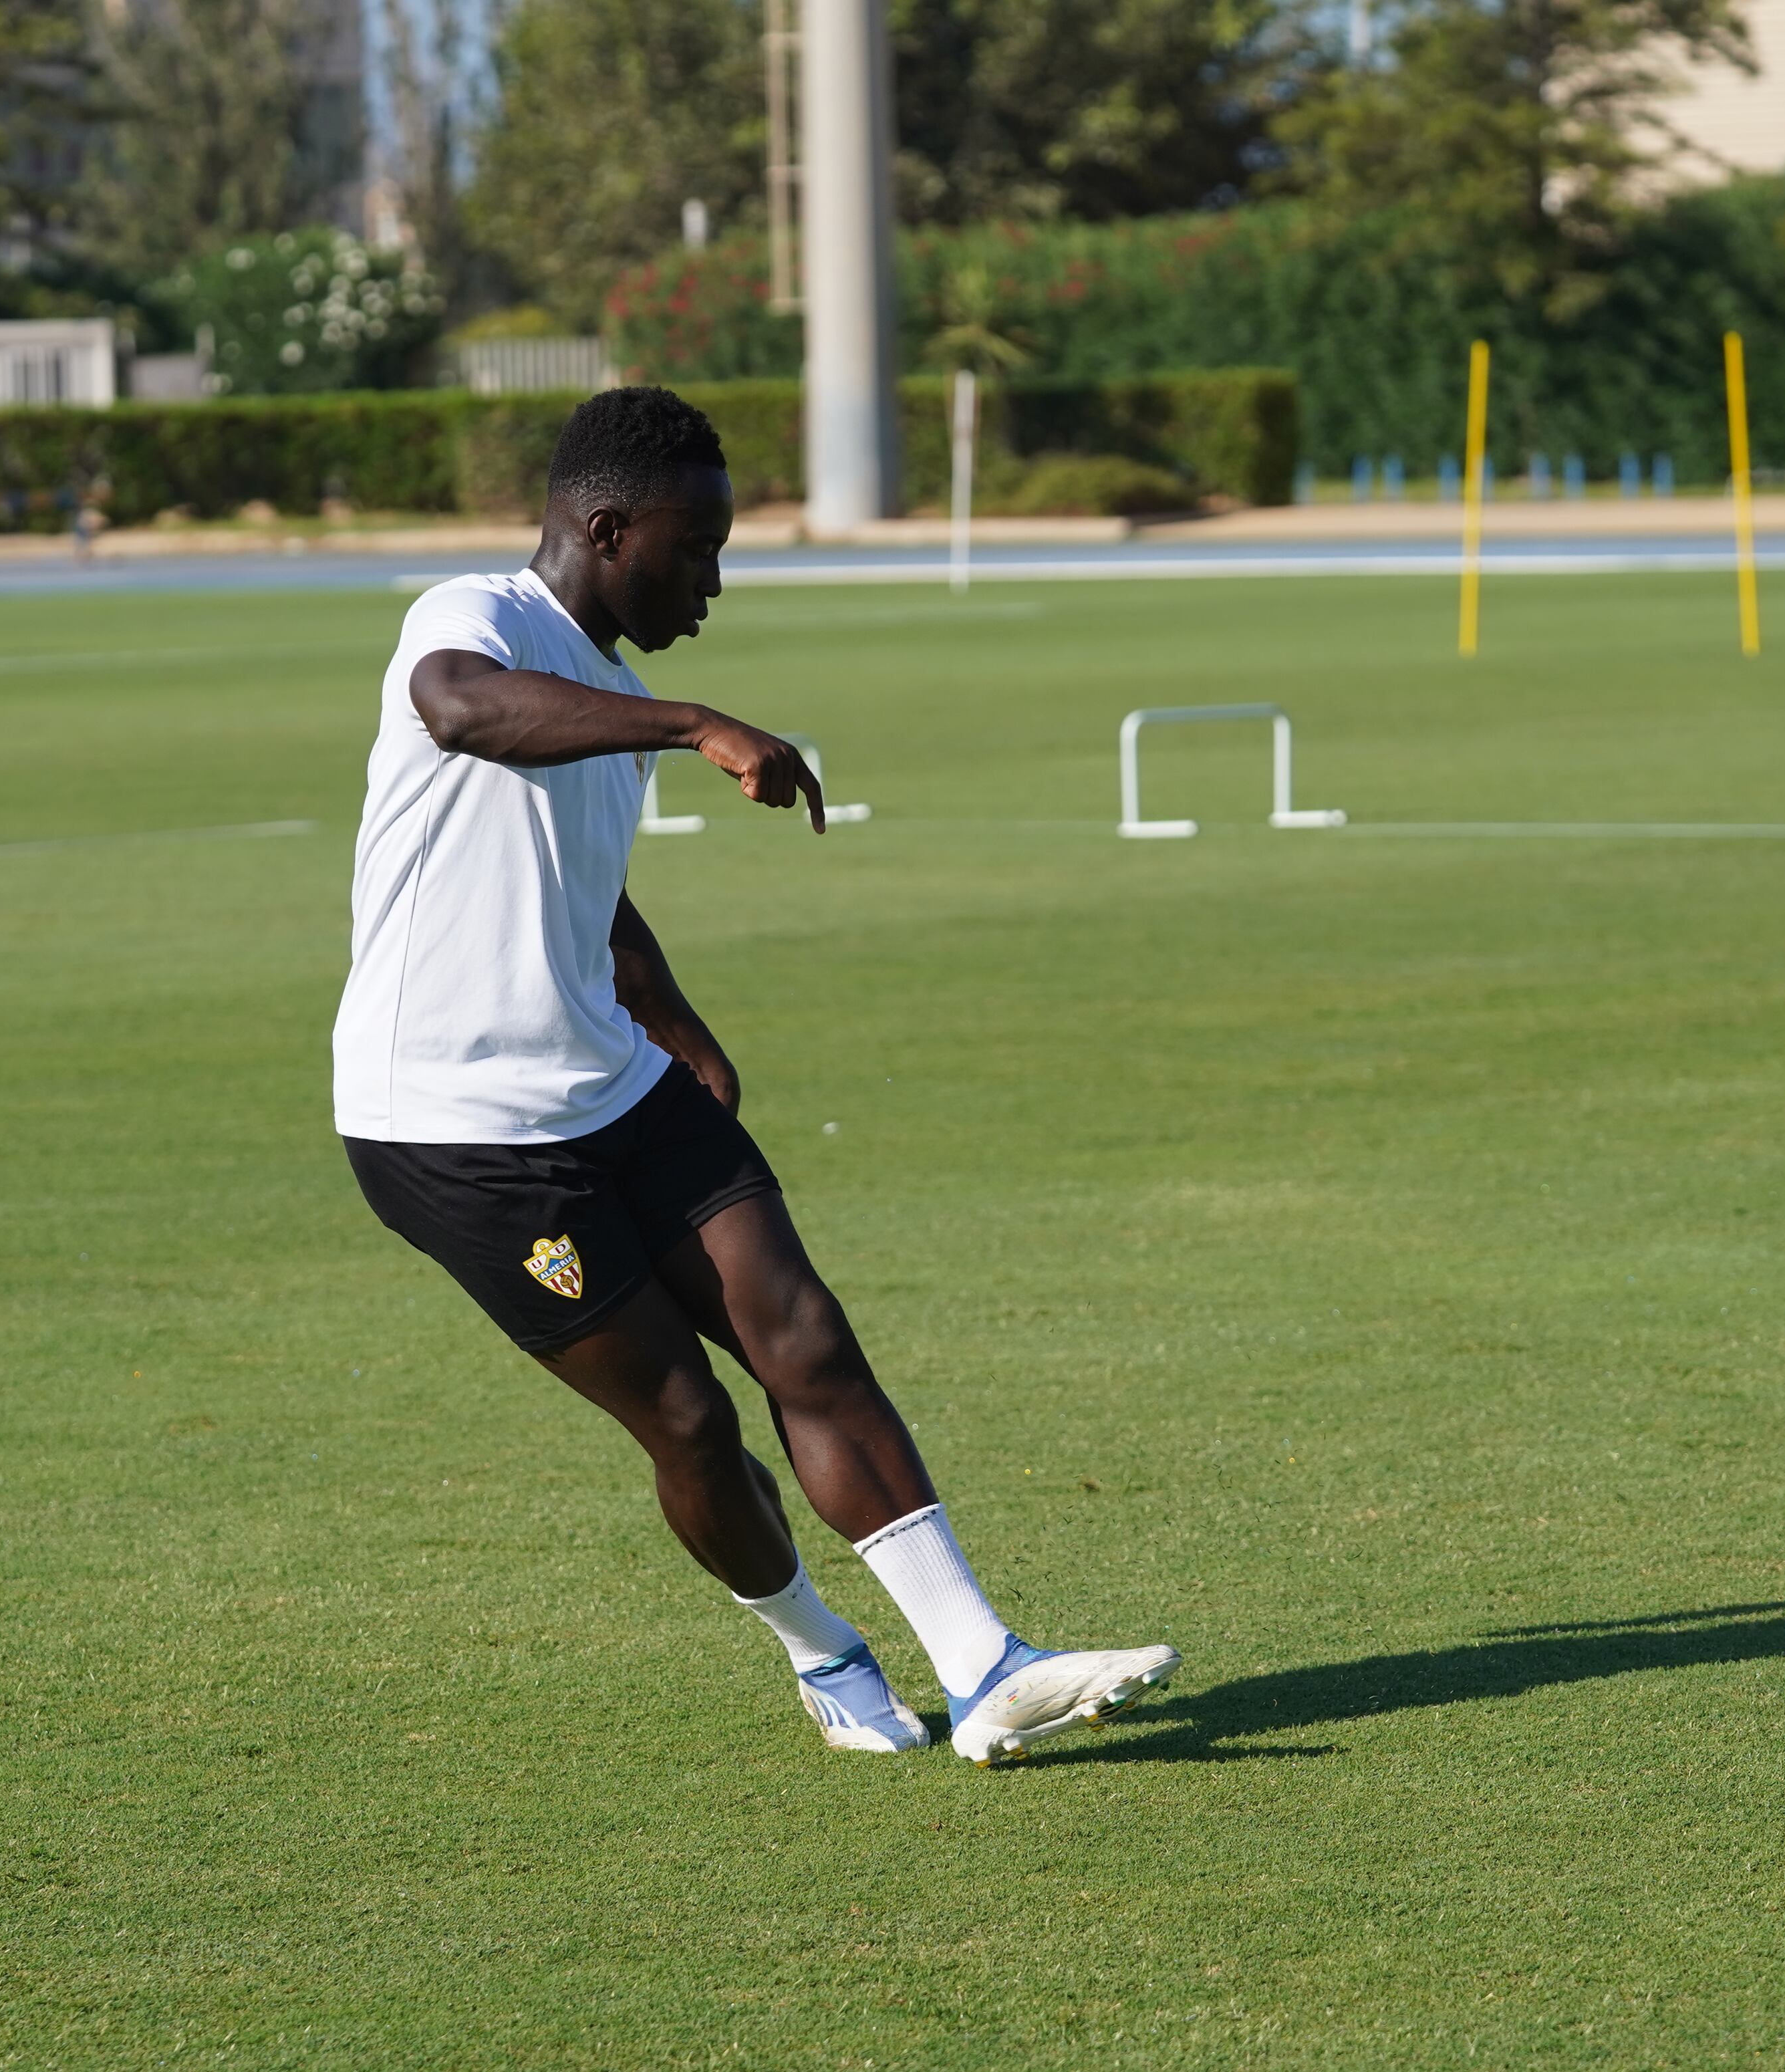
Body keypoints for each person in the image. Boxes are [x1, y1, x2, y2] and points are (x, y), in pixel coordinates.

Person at [331, 385, 1178, 1767]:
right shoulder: (473, 620)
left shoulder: (609, 696)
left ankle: (985, 1668)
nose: (713, 584)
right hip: (454, 1129)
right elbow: (461, 709)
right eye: (698, 551)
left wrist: (675, 1022)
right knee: (687, 1414)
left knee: (809, 1339)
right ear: (608, 529)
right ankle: (820, 1648)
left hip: (614, 1081)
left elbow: (585, 892)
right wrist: (695, 723)